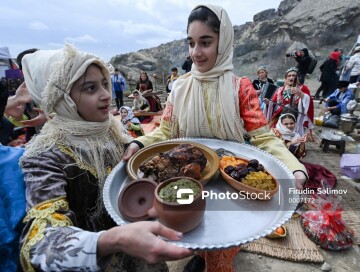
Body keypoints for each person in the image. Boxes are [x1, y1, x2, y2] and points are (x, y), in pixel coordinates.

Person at [123, 5, 307, 272]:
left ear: (224, 43)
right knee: (191, 234)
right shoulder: (180, 88)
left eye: (205, 42)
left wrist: (294, 168)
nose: (195, 52)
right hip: (187, 180)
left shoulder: (240, 88)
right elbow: (164, 132)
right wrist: (138, 143)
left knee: (220, 252)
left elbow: (264, 138)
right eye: (191, 43)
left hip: (229, 187)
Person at [19, 44, 192, 271]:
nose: (106, 95)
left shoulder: (112, 131)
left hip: (143, 253)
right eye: (90, 88)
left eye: (104, 84)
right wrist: (111, 241)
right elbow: (39, 244)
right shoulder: (45, 156)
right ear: (62, 99)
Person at [267, 67, 314, 137]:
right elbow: (273, 103)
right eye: (289, 76)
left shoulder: (303, 88)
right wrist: (267, 103)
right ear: (286, 79)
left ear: (297, 78)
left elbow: (308, 101)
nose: (291, 77)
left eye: (294, 75)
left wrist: (300, 93)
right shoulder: (280, 89)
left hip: (296, 116)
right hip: (280, 116)